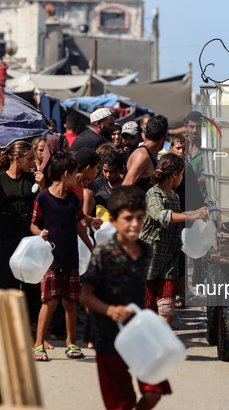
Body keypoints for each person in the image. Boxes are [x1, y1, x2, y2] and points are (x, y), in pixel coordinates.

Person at [80, 185, 171, 410]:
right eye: (128, 218)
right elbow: (86, 295)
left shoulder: (146, 251)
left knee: (154, 391)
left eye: (140, 218)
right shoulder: (104, 253)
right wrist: (111, 310)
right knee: (122, 403)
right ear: (113, 220)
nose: (134, 224)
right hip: (107, 335)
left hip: (138, 330)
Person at [31, 152, 94, 361]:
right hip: (50, 259)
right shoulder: (43, 197)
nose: (76, 177)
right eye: (74, 173)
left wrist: (92, 247)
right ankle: (38, 344)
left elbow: (79, 225)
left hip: (70, 258)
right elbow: (33, 224)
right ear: (66, 173)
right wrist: (40, 233)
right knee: (49, 302)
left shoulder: (72, 199)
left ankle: (71, 342)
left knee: (70, 302)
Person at [141, 154, 209, 326]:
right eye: (181, 175)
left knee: (167, 305)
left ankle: (162, 339)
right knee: (148, 304)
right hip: (150, 259)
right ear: (174, 175)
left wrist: (197, 215)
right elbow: (162, 216)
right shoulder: (153, 194)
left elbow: (179, 219)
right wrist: (192, 214)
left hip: (170, 257)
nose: (182, 179)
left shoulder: (175, 196)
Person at [0, 141, 40, 323]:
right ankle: (5, 322)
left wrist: (43, 184)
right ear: (17, 158)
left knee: (31, 280)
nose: (32, 162)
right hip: (6, 235)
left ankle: (31, 324)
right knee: (8, 278)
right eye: (30, 158)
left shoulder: (33, 180)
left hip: (28, 235)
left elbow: (44, 203)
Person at [169, 135, 205, 307]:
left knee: (181, 256)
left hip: (184, 218)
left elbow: (195, 195)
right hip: (171, 217)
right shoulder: (166, 167)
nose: (182, 152)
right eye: (178, 148)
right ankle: (179, 293)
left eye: (184, 149)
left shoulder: (187, 168)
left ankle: (183, 293)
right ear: (171, 149)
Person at [122, 115, 168, 192]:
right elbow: (124, 190)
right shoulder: (142, 155)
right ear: (164, 137)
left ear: (146, 132)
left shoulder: (150, 155)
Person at [185, 111, 208, 199]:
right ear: (186, 127)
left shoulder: (209, 148)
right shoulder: (179, 145)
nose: (195, 131)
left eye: (198, 127)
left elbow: (212, 173)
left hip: (202, 199)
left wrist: (193, 184)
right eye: (191, 127)